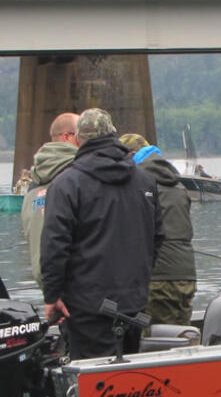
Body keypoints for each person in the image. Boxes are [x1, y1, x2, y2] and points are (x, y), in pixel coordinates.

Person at [40, 108, 163, 360]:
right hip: (133, 303)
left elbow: (55, 245)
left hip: (86, 308)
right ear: (113, 136)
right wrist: (138, 280)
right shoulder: (145, 182)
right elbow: (158, 237)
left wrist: (52, 295)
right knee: (132, 379)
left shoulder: (66, 184)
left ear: (78, 140)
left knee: (93, 382)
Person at [120, 132, 197, 327]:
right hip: (186, 275)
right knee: (181, 335)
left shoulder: (138, 184)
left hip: (158, 277)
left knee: (156, 340)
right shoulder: (178, 184)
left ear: (131, 155)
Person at [20, 112, 79, 289]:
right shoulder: (78, 175)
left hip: (45, 283)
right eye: (81, 134)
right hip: (79, 286)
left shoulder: (33, 185)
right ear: (67, 136)